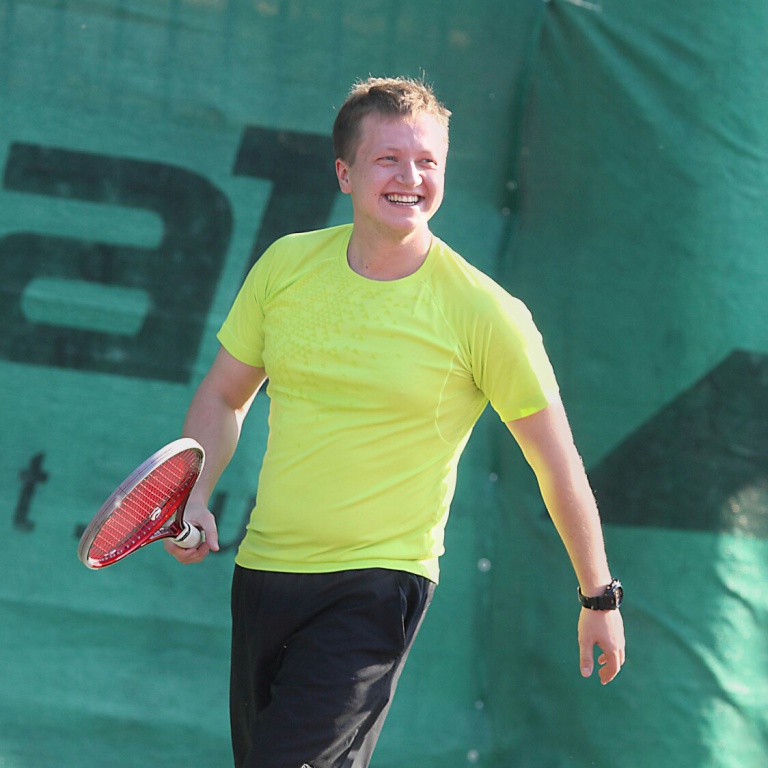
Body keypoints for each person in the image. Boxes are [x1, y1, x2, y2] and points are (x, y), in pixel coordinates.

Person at [164, 76, 626, 768]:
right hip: (263, 574)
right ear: (344, 173)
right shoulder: (286, 266)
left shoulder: (487, 313)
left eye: (427, 161)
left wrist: (599, 595)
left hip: (378, 587)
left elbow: (556, 463)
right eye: (388, 159)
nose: (411, 177)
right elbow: (224, 396)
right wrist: (195, 492)